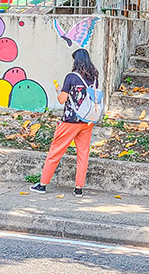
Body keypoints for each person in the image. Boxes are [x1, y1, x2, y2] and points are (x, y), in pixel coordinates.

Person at [31, 49, 99, 196]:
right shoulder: (94, 77)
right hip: (87, 121)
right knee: (83, 155)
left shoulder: (71, 77)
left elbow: (62, 99)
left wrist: (58, 90)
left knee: (55, 152)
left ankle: (42, 184)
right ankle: (79, 188)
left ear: (76, 61)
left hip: (70, 121)